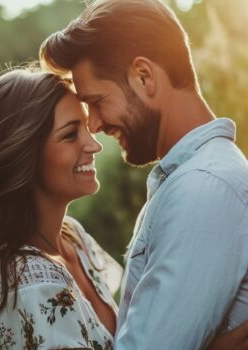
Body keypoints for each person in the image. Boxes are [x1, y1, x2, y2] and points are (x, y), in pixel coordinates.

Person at [40, 0, 248, 349]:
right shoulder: (192, 179)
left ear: (144, 76)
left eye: (97, 100)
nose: (94, 123)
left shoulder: (204, 189)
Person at [0, 68, 123, 349]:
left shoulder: (74, 239)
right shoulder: (27, 284)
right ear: (24, 155)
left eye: (86, 129)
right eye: (70, 135)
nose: (94, 145)